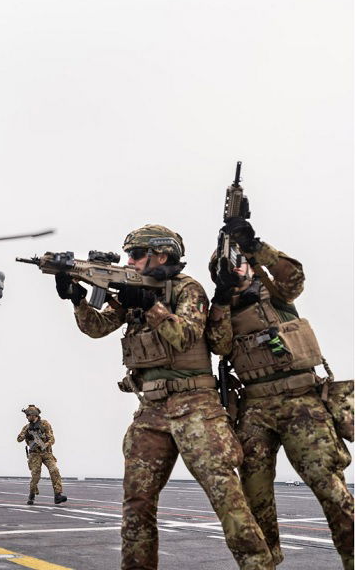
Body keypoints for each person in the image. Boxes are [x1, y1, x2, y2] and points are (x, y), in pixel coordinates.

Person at [56, 224, 273, 570]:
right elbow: (97, 328)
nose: (130, 260)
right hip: (152, 409)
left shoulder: (189, 290)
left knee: (227, 499)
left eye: (137, 254)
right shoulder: (131, 292)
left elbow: (185, 337)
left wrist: (150, 306)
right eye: (129, 254)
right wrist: (78, 300)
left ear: (161, 253)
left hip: (197, 406)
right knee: (136, 505)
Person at [206, 217, 354, 568]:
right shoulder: (221, 309)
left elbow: (294, 278)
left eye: (240, 262)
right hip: (254, 408)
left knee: (330, 488)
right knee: (254, 498)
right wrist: (223, 297)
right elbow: (218, 343)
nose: (236, 269)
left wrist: (255, 246)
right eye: (228, 266)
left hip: (301, 400)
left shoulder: (273, 292)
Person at [17, 405, 67, 505]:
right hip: (34, 454)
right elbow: (19, 439)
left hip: (46, 453)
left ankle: (58, 495)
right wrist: (26, 435)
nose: (26, 417)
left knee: (54, 470)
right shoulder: (27, 427)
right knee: (35, 475)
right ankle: (32, 495)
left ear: (33, 415)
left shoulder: (45, 424)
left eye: (28, 415)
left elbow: (52, 439)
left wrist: (44, 445)